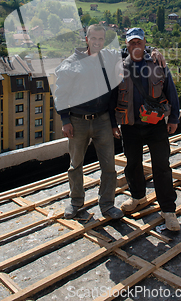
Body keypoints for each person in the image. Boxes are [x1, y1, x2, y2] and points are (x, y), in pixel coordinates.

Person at [115, 28, 181, 231]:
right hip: (130, 126)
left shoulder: (157, 63)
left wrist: (174, 118)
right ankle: (137, 197)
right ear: (126, 44)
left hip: (156, 125)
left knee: (161, 167)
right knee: (132, 164)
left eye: (139, 42)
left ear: (145, 43)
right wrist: (112, 123)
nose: (136, 46)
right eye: (132, 43)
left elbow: (171, 90)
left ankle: (168, 211)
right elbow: (111, 96)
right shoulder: (118, 66)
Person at [55, 24, 123, 220]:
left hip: (102, 120)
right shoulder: (71, 63)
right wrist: (65, 120)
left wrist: (153, 51)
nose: (97, 42)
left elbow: (129, 51)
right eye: (94, 38)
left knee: (109, 165)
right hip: (78, 122)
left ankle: (107, 205)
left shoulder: (106, 58)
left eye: (101, 39)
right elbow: (61, 94)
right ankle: (76, 202)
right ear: (86, 39)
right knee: (75, 165)